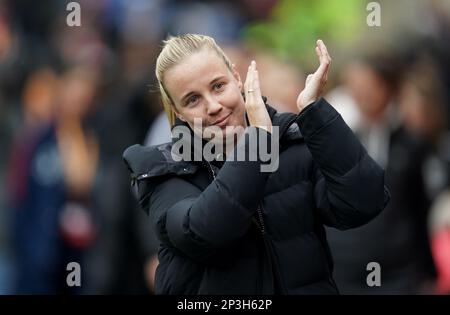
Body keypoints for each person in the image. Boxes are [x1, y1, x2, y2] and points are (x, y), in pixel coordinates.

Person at [123, 34, 390, 294]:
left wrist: (313, 112)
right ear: (177, 111)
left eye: (218, 86)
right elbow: (207, 233)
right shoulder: (163, 169)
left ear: (237, 78)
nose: (213, 106)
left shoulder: (290, 139)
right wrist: (259, 141)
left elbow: (364, 202)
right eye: (193, 99)